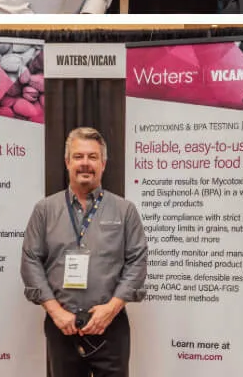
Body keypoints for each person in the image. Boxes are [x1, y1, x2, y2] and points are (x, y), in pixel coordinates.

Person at [22, 128, 146, 377]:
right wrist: (56, 312)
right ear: (67, 162)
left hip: (109, 325)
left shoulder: (125, 210)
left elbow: (137, 261)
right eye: (78, 156)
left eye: (92, 157)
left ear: (103, 163)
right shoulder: (44, 210)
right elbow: (31, 260)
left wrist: (110, 309)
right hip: (62, 325)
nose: (85, 164)